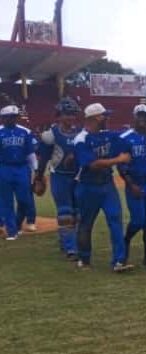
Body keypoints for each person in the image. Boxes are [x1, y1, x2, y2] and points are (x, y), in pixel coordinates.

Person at [73, 103, 133, 272]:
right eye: (104, 116)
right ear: (94, 119)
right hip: (87, 186)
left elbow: (127, 143)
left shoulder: (108, 136)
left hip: (107, 185)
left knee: (115, 220)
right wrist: (118, 160)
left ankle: (119, 261)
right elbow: (92, 164)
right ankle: (84, 259)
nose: (107, 118)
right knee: (86, 223)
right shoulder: (81, 139)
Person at [113, 105, 146, 268]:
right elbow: (121, 165)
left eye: (145, 116)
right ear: (134, 117)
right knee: (137, 221)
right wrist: (130, 184)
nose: (143, 119)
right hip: (135, 182)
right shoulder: (126, 137)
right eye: (139, 116)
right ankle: (126, 241)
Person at [34, 98, 82, 259]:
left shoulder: (80, 134)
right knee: (65, 211)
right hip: (59, 177)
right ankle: (71, 248)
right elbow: (43, 158)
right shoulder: (50, 135)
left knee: (77, 212)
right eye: (66, 114)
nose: (70, 118)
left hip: (77, 178)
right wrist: (39, 177)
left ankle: (67, 241)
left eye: (72, 114)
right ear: (59, 116)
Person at [0, 105, 38, 241]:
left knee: (24, 199)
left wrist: (36, 169)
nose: (12, 119)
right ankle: (12, 232)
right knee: (6, 201)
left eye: (14, 117)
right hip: (4, 168)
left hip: (22, 168)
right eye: (9, 117)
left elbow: (30, 153)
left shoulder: (25, 132)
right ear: (3, 118)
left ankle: (17, 223)